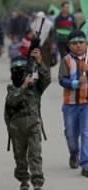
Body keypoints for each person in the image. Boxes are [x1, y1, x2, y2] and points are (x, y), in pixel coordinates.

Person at [4, 52, 51, 190]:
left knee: (35, 154)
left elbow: (47, 79)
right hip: (16, 129)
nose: (19, 73)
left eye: (22, 70)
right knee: (20, 158)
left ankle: (37, 183)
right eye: (16, 70)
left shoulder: (36, 87)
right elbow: (12, 101)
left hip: (34, 126)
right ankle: (24, 180)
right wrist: (23, 86)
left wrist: (39, 61)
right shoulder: (12, 89)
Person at [58, 30, 88, 177]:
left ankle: (85, 164)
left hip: (86, 104)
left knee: (86, 133)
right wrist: (75, 83)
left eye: (81, 42)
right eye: (75, 43)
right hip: (70, 104)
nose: (78, 46)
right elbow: (62, 80)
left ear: (86, 43)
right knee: (70, 133)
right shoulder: (66, 60)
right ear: (69, 46)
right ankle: (73, 153)